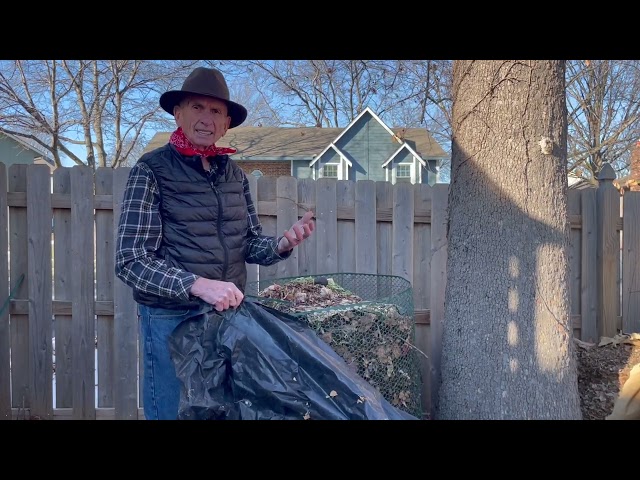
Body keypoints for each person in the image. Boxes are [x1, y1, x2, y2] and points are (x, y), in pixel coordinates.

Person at [114, 66, 315, 420]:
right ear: (178, 113)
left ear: (226, 123)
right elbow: (131, 260)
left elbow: (249, 243)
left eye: (216, 111)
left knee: (220, 412)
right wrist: (197, 285)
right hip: (170, 318)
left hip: (224, 318)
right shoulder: (151, 170)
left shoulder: (234, 175)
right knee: (172, 412)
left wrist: (281, 244)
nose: (206, 118)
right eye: (196, 107)